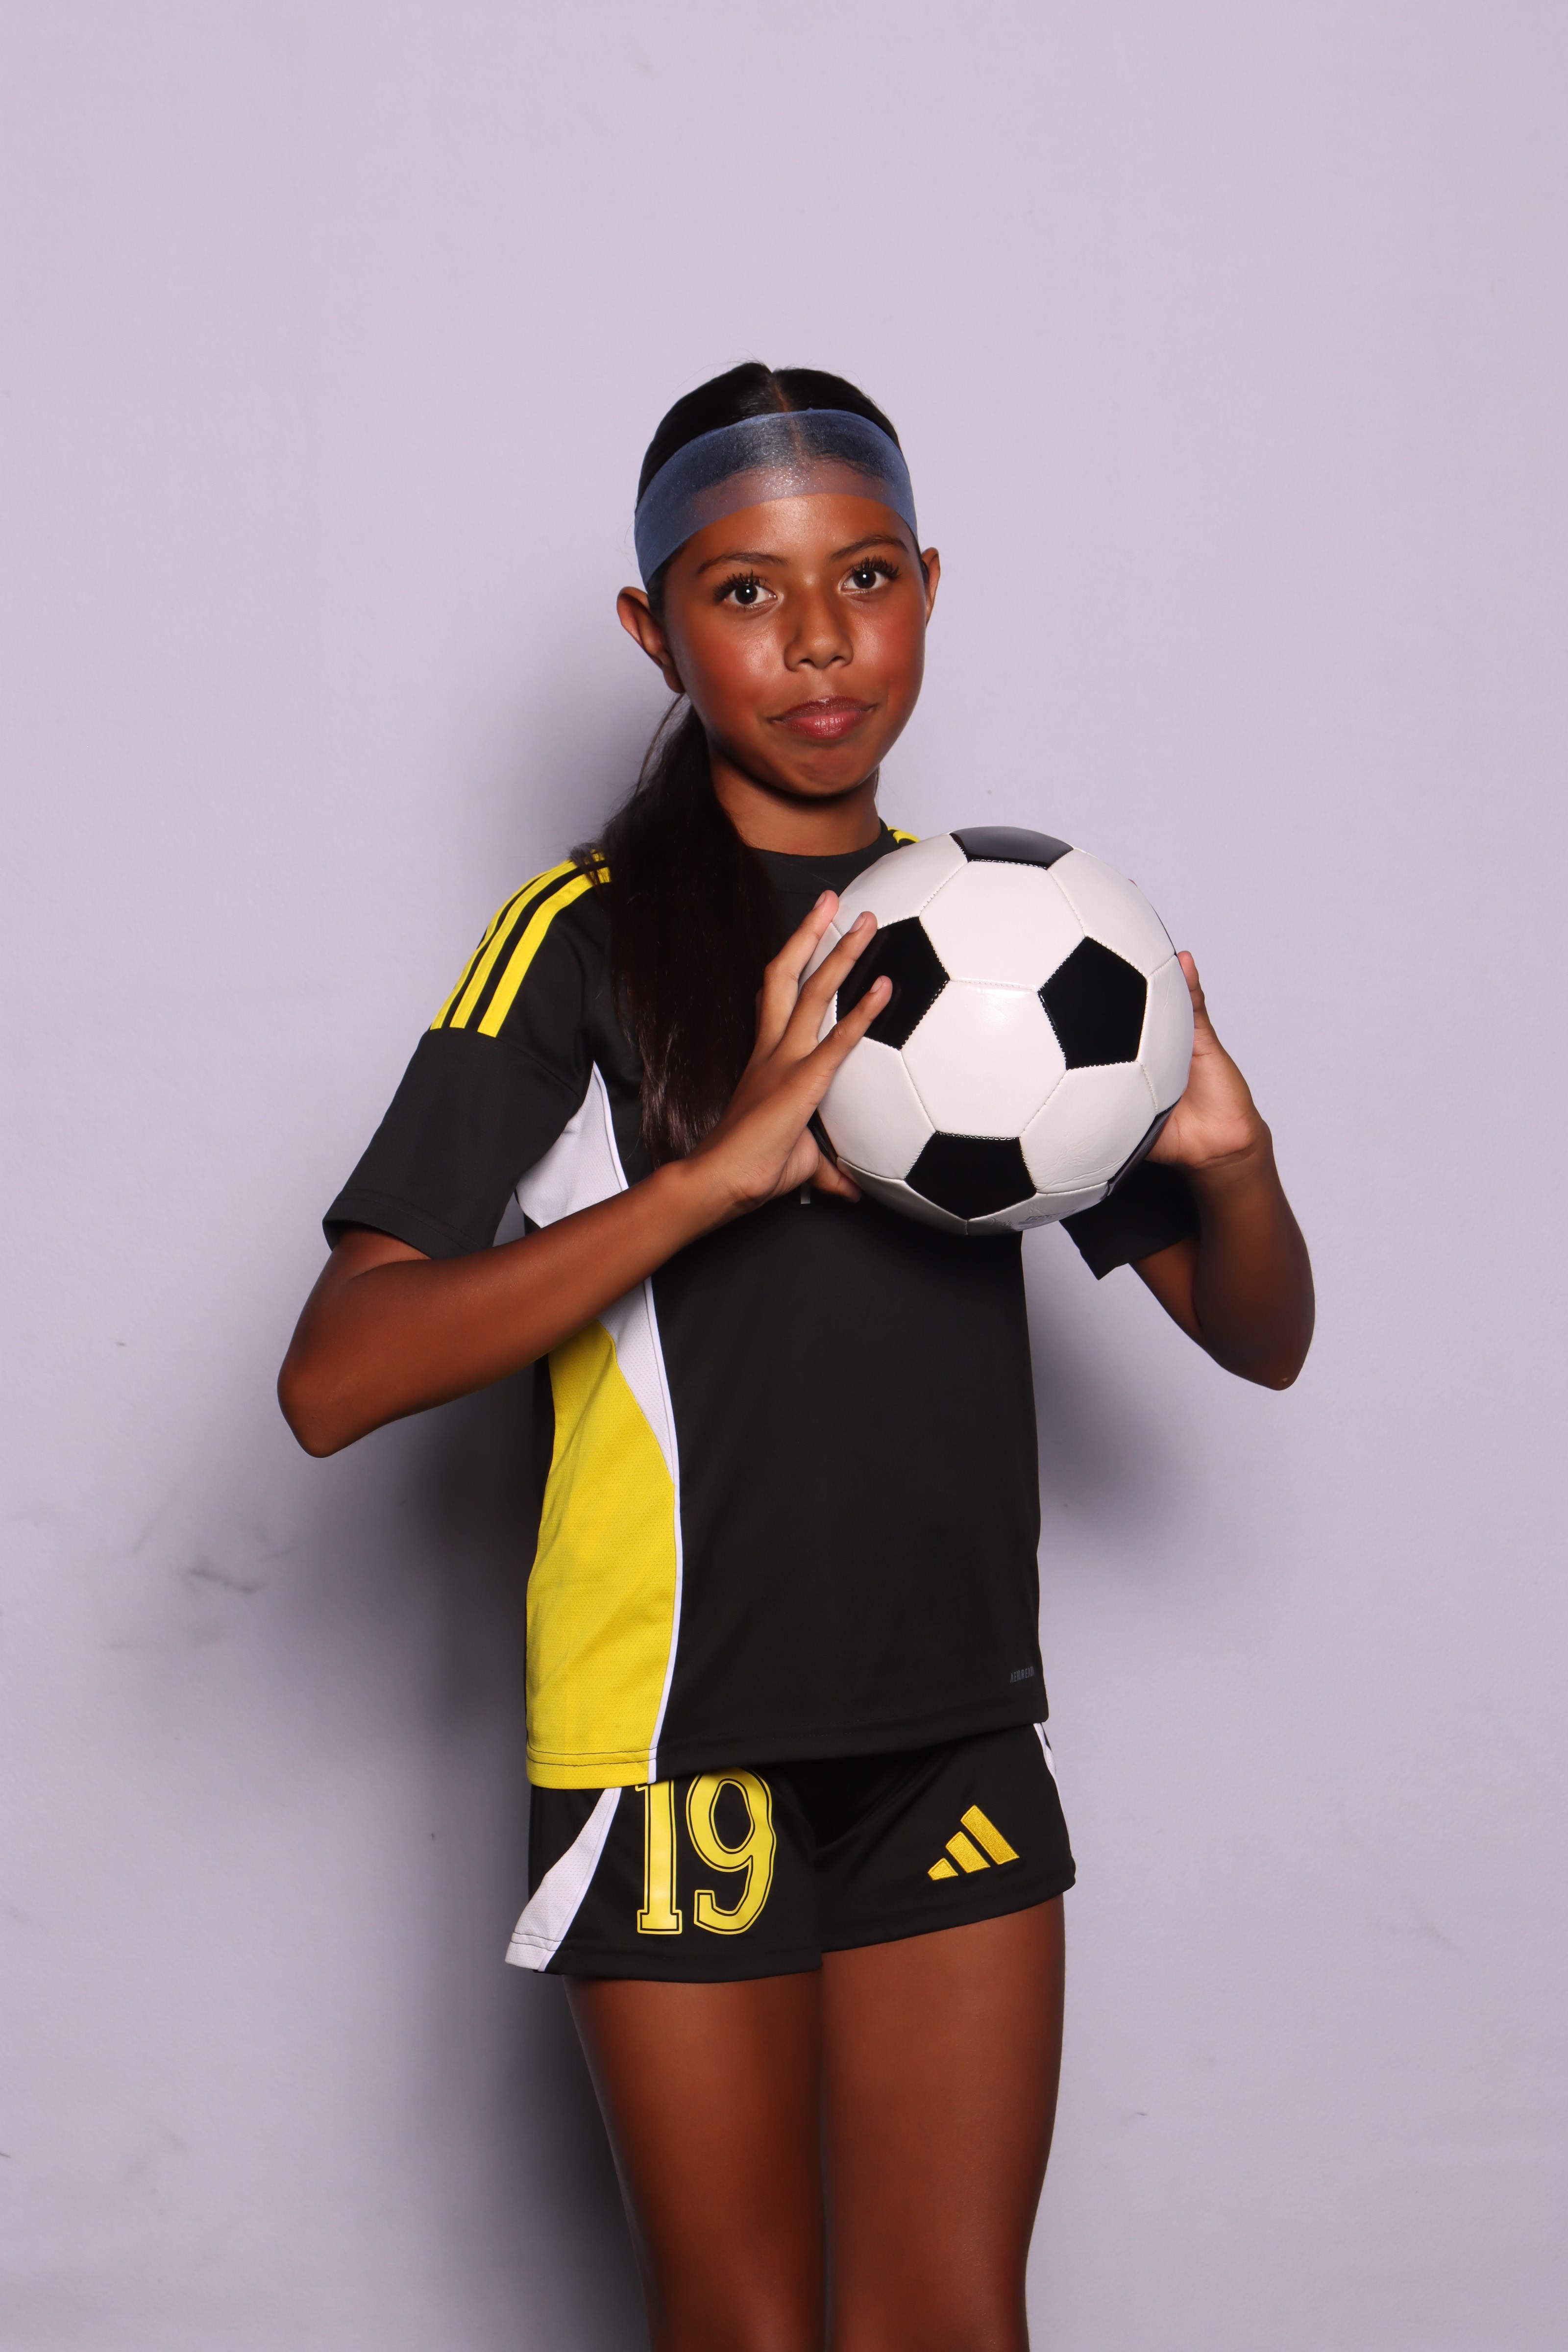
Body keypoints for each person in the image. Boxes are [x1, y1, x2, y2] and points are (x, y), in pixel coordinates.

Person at [279, 363, 1314, 2352]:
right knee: (744, 2327)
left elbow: (1257, 1341)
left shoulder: (1008, 936)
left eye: (864, 576)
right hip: (681, 1739)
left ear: (927, 586)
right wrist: (707, 1182)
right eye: (744, 591)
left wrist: (1237, 1161)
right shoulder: (579, 943)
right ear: (650, 629)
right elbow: (335, 1377)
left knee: (954, 2323)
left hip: (952, 1730)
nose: (819, 639)